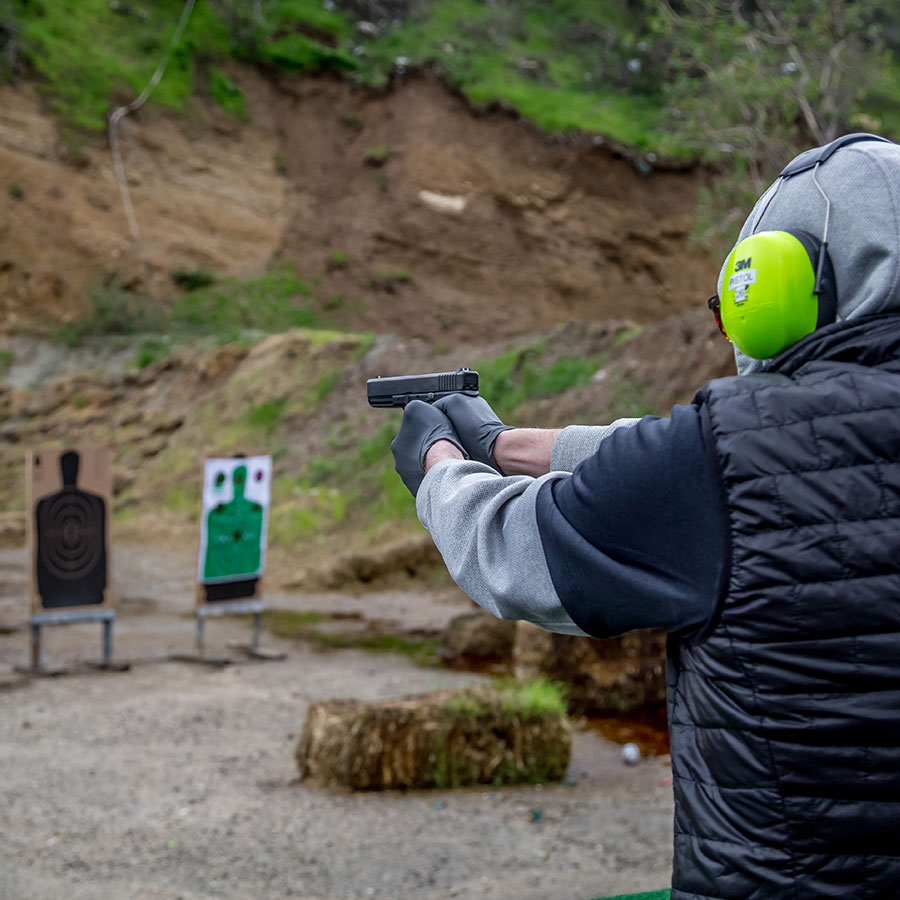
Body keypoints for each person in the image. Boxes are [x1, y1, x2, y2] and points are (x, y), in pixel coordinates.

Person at [390, 134, 900, 899]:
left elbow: (514, 551)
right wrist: (506, 444)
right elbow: (674, 459)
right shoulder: (727, 456)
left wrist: (436, 466)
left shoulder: (728, 456)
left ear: (785, 287)